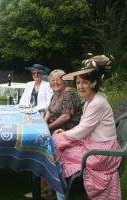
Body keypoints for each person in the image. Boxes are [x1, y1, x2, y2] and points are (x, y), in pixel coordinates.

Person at [52, 55, 122, 199]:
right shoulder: (91, 101)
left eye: (85, 82)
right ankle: (54, 188)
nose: (80, 86)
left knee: (59, 149)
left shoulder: (97, 103)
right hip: (94, 143)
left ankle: (56, 191)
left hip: (102, 152)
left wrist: (63, 135)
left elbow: (83, 130)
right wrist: (64, 133)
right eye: (78, 83)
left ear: (94, 83)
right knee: (57, 144)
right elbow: (83, 128)